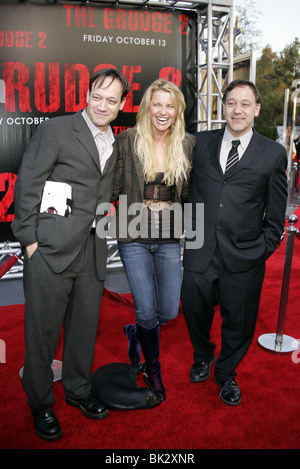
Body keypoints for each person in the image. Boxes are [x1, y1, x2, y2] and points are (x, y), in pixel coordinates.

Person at [11, 68, 130, 440]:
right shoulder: (57, 130)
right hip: (49, 251)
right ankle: (41, 403)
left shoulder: (115, 141)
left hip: (93, 252)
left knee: (83, 330)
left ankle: (78, 390)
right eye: (98, 95)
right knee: (42, 335)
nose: (103, 104)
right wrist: (29, 241)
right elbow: (27, 184)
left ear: (122, 105)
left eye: (112, 100)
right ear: (88, 94)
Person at [181, 79, 287, 406]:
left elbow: (276, 217)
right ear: (222, 106)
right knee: (194, 312)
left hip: (244, 255)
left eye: (245, 104)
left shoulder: (273, 153)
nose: (237, 110)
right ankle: (203, 355)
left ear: (256, 109)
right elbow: (182, 190)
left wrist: (259, 251)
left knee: (238, 322)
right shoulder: (198, 143)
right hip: (200, 250)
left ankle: (226, 372)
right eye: (231, 103)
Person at [111, 78, 195, 402]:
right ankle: (152, 367)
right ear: (148, 107)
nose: (163, 111)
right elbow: (112, 186)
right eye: (157, 104)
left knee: (170, 311)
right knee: (146, 310)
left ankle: (137, 334)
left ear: (177, 111)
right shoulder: (128, 141)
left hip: (169, 236)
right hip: (133, 235)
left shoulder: (186, 144)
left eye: (169, 105)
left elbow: (186, 193)